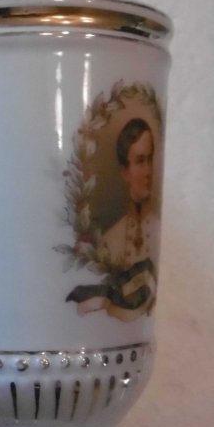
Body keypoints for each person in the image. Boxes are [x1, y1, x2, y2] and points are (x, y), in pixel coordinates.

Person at [66, 118, 157, 321]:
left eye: (150, 159)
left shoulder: (160, 229)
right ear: (125, 172)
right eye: (140, 161)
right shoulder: (109, 241)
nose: (149, 171)